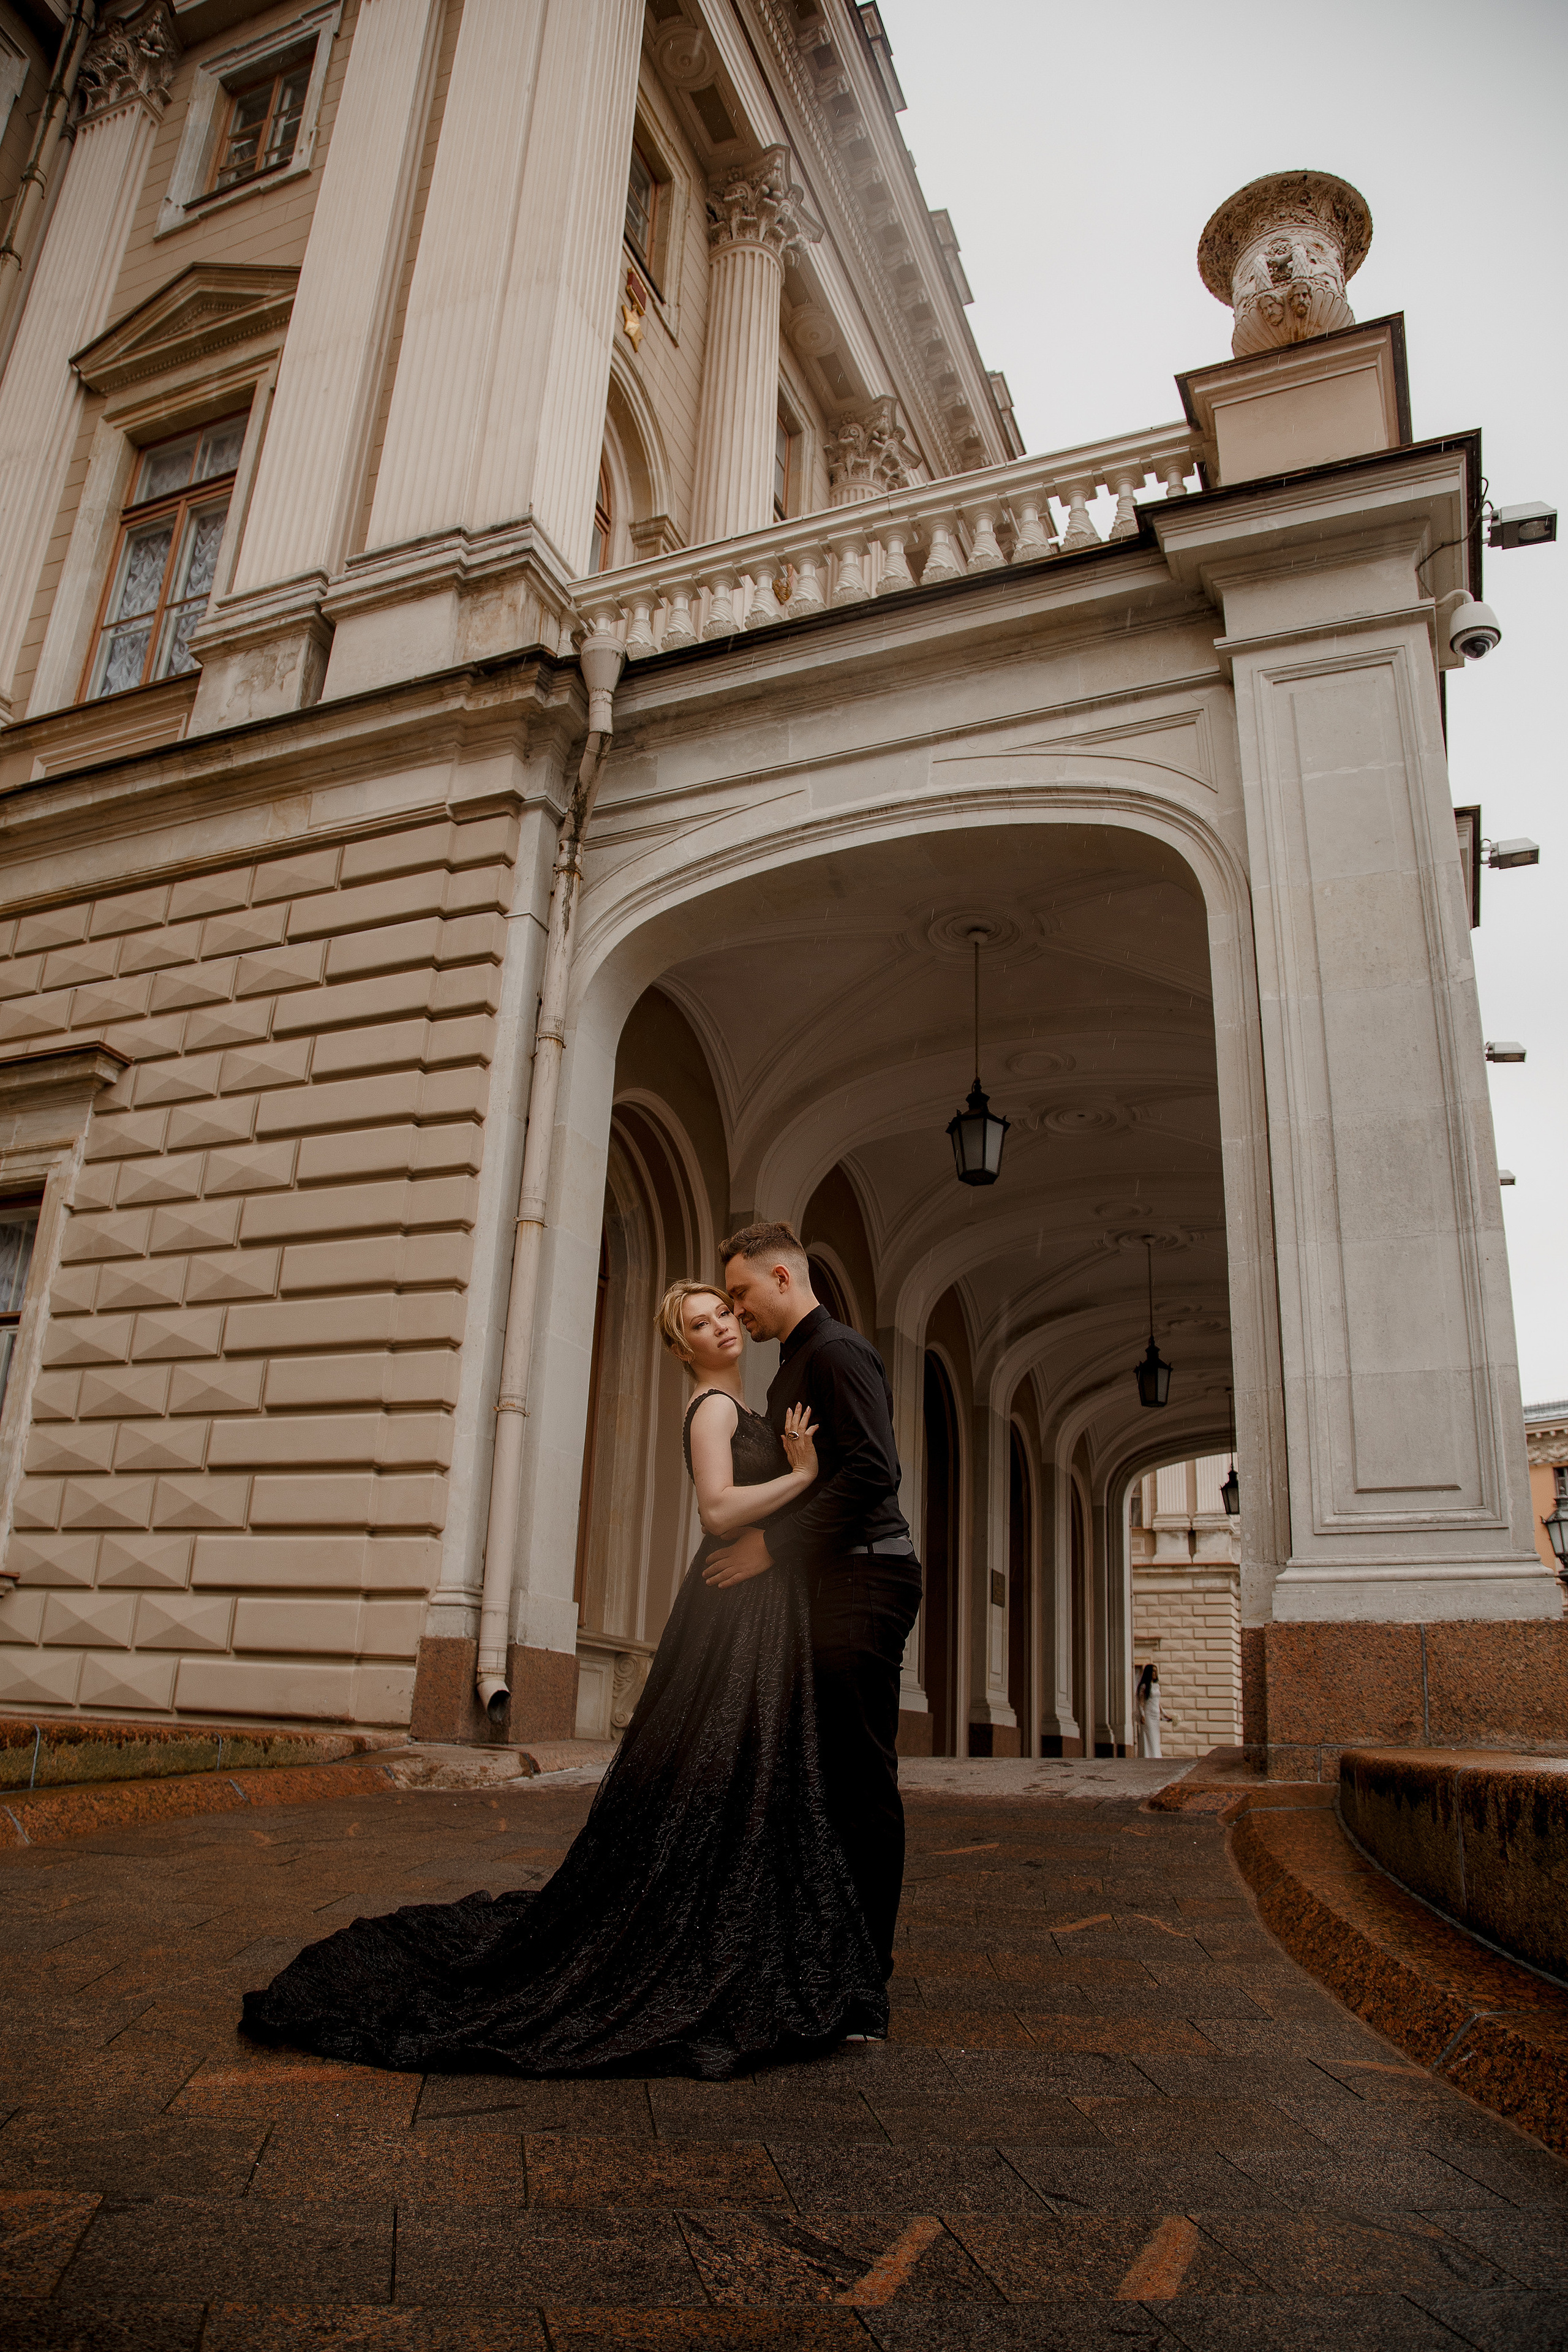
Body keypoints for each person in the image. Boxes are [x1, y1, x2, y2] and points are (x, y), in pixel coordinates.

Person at [239, 1280, 888, 2077]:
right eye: (698, 1322)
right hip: (733, 1608)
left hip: (761, 1603)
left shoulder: (742, 1407)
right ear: (682, 1346)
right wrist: (803, 1474)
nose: (719, 1326)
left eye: (722, 1312)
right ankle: (698, 1932)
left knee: (759, 1772)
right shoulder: (712, 1412)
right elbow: (720, 1512)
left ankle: (744, 1927)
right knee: (723, 1765)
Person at [710, 1222, 922, 1985]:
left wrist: (772, 1547)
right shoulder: (797, 1361)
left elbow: (874, 1471)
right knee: (829, 1774)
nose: (737, 1313)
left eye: (741, 1294)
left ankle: (865, 1982)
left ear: (782, 1278)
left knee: (859, 1778)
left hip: (866, 1579)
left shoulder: (835, 1352)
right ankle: (826, 1957)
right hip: (837, 1581)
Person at [1134, 1660, 1175, 1758]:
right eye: (1153, 1672)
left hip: (1156, 1715)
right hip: (1148, 1715)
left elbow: (1158, 1702)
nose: (1155, 1674)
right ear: (1149, 1673)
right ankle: (1148, 1757)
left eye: (1156, 1672)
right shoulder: (1144, 1687)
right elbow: (1141, 1702)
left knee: (1156, 1738)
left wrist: (1165, 1715)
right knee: (1150, 1737)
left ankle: (1156, 1756)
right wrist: (1142, 1715)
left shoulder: (1157, 1686)